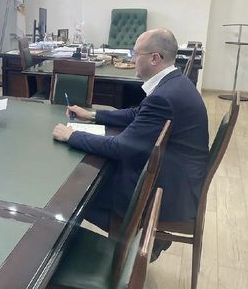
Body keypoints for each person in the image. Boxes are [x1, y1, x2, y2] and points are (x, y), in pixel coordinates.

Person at [52, 28, 209, 261]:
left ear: (154, 58)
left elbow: (120, 147)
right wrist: (92, 115)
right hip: (179, 175)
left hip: (169, 192)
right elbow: (139, 113)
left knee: (77, 191)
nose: (132, 60)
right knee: (90, 178)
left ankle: (120, 254)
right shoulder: (175, 82)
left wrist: (72, 135)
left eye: (135, 54)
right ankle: (142, 243)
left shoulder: (164, 96)